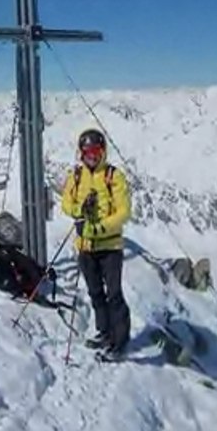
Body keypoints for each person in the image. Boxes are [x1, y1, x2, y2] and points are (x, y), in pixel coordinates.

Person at [60, 127, 132, 358]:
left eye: (96, 151)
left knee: (114, 294)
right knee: (95, 292)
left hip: (110, 247)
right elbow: (65, 203)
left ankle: (119, 342)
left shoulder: (114, 176)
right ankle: (104, 332)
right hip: (85, 247)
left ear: (103, 151)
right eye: (87, 151)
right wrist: (78, 211)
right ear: (81, 153)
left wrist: (99, 227)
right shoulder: (76, 176)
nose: (91, 155)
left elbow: (124, 212)